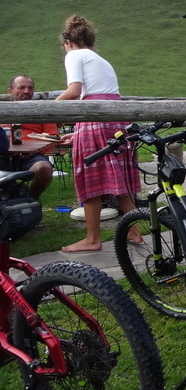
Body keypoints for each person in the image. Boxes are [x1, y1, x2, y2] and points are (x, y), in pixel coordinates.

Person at [55, 15, 141, 252]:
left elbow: (74, 91)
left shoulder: (74, 55)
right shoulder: (101, 60)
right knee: (120, 181)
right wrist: (77, 134)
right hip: (115, 120)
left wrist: (49, 109)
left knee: (89, 175)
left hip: (94, 116)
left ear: (68, 42)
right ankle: (135, 232)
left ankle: (92, 239)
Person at [0, 75, 58, 197]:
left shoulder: (42, 111)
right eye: (21, 88)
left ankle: (30, 199)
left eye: (30, 88)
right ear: (10, 91)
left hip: (30, 156)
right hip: (3, 155)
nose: (26, 91)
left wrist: (34, 150)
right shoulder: (2, 109)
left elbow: (53, 137)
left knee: (44, 168)